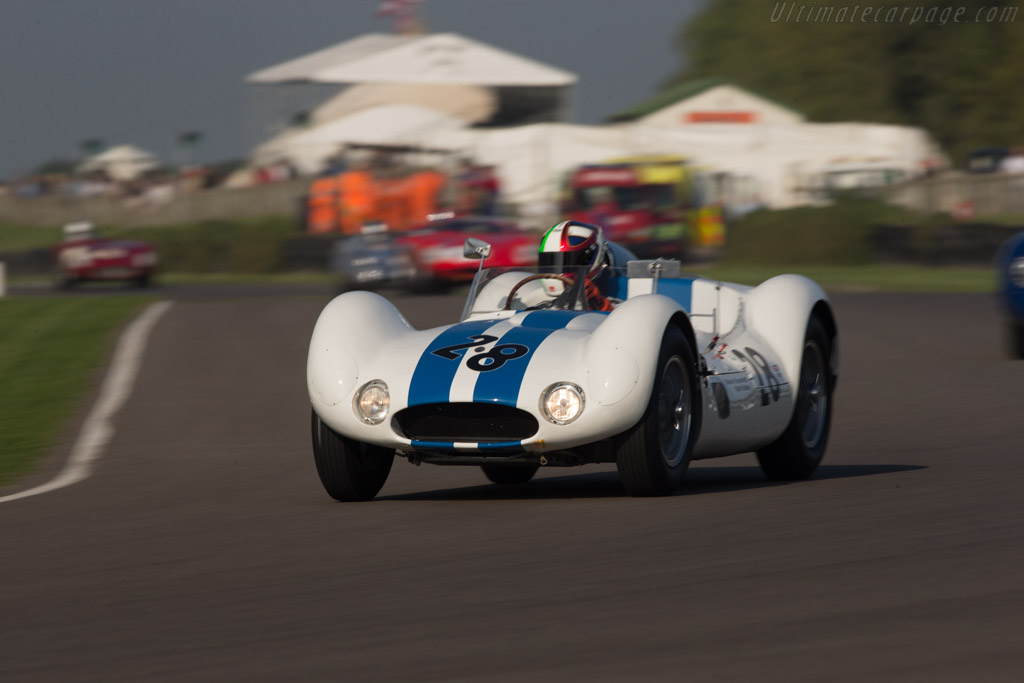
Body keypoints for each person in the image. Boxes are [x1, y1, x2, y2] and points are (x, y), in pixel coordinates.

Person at [537, 220, 635, 311]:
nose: (556, 268)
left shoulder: (622, 290)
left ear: (588, 258)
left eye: (567, 261)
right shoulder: (542, 305)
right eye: (549, 261)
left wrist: (600, 305)